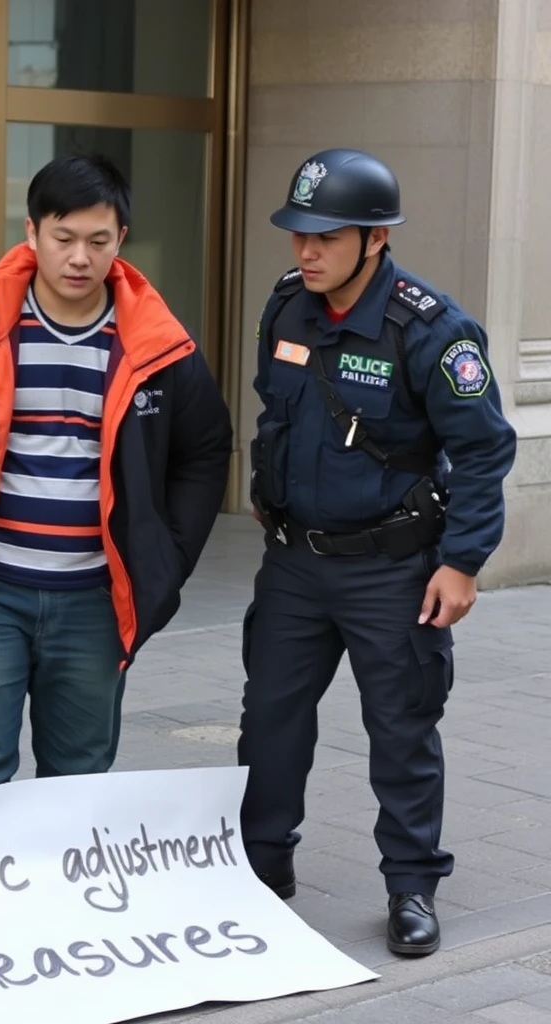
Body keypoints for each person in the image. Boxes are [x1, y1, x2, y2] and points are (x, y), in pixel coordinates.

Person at [0, 153, 232, 789]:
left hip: (95, 599)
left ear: (121, 241)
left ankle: (62, 892)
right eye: (63, 238)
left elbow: (206, 450)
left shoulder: (157, 345)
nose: (79, 257)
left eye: (97, 240)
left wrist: (169, 553)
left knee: (80, 776)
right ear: (31, 233)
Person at [240, 148, 517, 956]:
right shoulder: (288, 308)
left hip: (394, 569)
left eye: (327, 236)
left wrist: (461, 562)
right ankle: (263, 865)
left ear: (376, 237)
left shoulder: (432, 329)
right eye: (299, 234)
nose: (307, 251)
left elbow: (484, 450)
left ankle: (411, 885)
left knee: (401, 727)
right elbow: (273, 411)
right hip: (295, 563)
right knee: (271, 724)